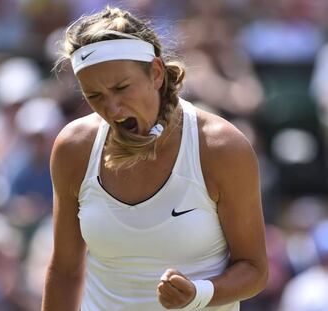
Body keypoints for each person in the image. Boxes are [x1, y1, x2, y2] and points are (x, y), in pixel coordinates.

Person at [42, 7, 268, 311]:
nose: (112, 108)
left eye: (121, 88)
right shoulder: (74, 148)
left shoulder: (221, 148)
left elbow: (254, 269)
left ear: (157, 73)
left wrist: (197, 294)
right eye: (94, 95)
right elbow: (65, 271)